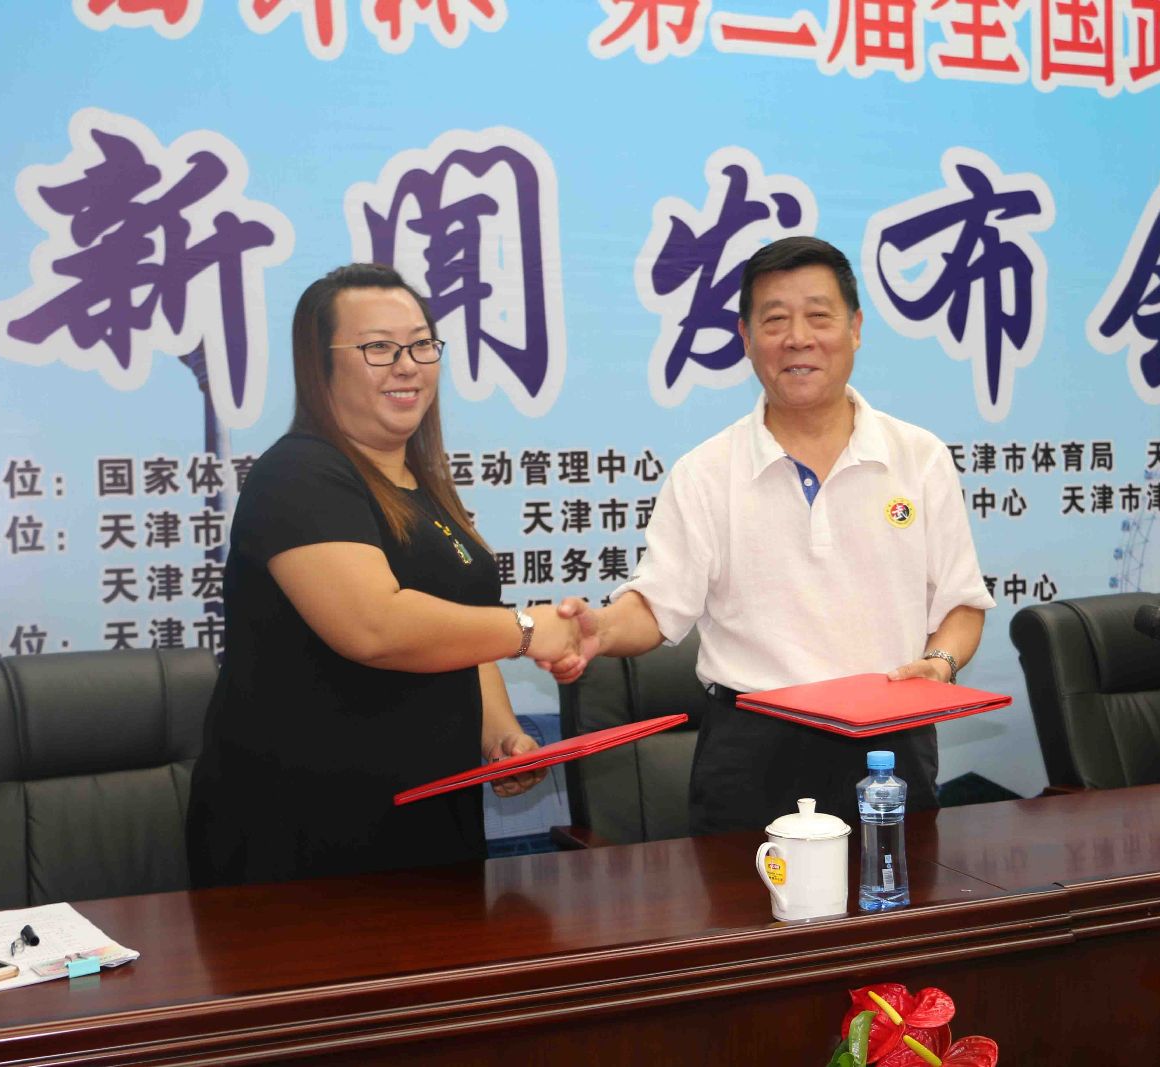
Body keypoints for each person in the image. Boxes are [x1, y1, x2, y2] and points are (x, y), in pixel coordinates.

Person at [548, 236, 996, 833]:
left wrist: (938, 664)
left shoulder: (919, 457)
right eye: (775, 320)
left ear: (856, 328)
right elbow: (656, 607)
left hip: (890, 746)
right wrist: (600, 629)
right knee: (743, 896)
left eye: (819, 316)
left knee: (893, 893)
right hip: (752, 752)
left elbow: (962, 605)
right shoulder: (706, 472)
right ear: (746, 337)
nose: (798, 338)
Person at [185, 263, 588, 887]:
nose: (408, 366)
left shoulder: (422, 485)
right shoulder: (298, 473)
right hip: (303, 836)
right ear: (319, 366)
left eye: (422, 345)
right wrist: (529, 630)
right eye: (378, 347)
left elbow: (462, 634)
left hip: (429, 820)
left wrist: (502, 738)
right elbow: (374, 626)